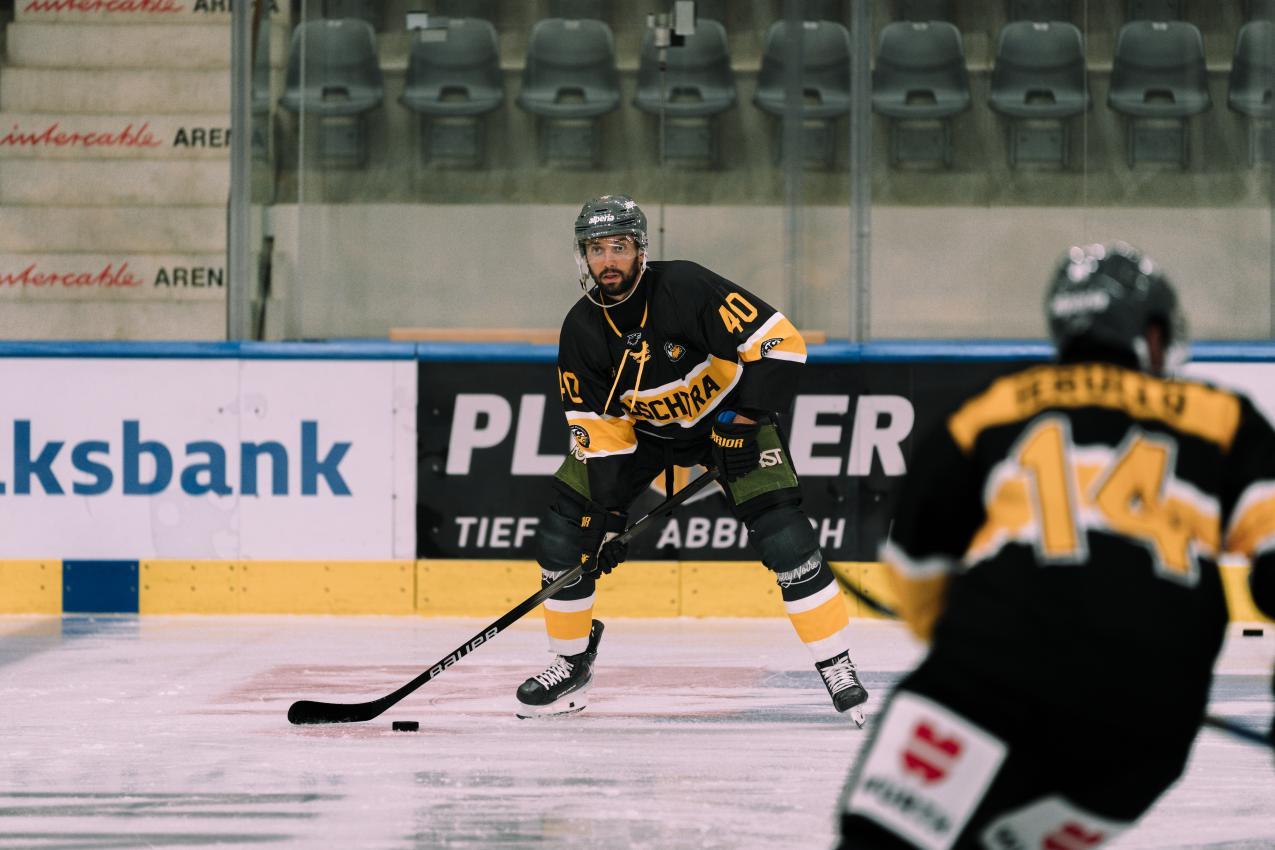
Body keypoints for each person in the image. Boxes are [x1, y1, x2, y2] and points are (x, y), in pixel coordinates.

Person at [836, 242, 1275, 849]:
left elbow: (914, 563)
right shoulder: (1220, 413)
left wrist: (962, 636)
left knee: (882, 841)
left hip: (989, 671)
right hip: (1153, 715)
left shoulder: (991, 409)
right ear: (1149, 335)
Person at [514, 193, 870, 723]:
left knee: (786, 538)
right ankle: (570, 664)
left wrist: (743, 420)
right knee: (566, 534)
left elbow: (782, 344)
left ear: (641, 249)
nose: (607, 261)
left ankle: (836, 664)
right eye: (596, 249)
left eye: (619, 247)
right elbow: (601, 431)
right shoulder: (581, 330)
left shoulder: (684, 287)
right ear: (582, 257)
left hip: (731, 421)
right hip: (645, 435)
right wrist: (608, 520)